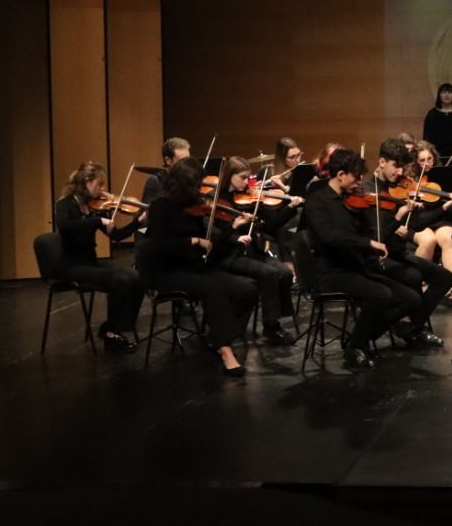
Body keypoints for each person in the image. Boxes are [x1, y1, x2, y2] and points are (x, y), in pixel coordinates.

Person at [135, 158, 258, 376]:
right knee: (212, 289)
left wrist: (232, 227)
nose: (201, 190)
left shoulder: (194, 207)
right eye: (197, 185)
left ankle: (216, 336)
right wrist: (192, 241)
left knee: (247, 290)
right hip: (167, 272)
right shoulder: (160, 207)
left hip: (193, 267)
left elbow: (211, 241)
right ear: (184, 184)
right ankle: (225, 351)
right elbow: (159, 246)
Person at [300, 147, 420, 370]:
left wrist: (394, 221)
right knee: (381, 295)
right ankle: (357, 345)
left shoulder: (356, 201)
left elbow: (371, 236)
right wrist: (367, 244)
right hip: (331, 272)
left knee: (411, 299)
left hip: (358, 267)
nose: (360, 182)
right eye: (356, 176)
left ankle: (358, 339)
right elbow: (330, 237)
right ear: (341, 175)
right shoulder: (317, 201)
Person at [364, 138, 452, 346]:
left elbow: (418, 225)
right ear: (382, 162)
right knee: (413, 276)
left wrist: (443, 208)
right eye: (396, 166)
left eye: (403, 167)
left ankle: (412, 325)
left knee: (445, 278)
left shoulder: (399, 188)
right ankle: (408, 327)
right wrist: (398, 219)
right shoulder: (369, 191)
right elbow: (378, 239)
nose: (400, 173)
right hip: (381, 258)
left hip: (400, 253)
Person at [52, 161, 144, 351]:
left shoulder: (93, 207)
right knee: (118, 280)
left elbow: (117, 236)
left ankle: (119, 326)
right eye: (99, 184)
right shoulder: (65, 204)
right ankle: (110, 333)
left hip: (90, 263)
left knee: (137, 277)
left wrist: (138, 222)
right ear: (86, 182)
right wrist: (96, 220)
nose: (103, 189)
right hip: (71, 267)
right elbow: (65, 227)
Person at [209, 156, 297, 346]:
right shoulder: (218, 199)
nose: (246, 183)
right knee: (270, 273)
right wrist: (235, 233)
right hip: (230, 254)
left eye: (248, 178)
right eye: (242, 178)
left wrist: (290, 207)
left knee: (284, 272)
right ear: (229, 176)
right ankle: (271, 326)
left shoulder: (250, 198)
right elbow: (215, 233)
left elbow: (270, 227)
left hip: (252, 251)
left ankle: (276, 321)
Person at [407, 142, 452, 284]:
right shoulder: (410, 180)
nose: (427, 164)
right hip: (418, 221)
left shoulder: (442, 177)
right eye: (422, 160)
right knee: (429, 240)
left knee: (448, 238)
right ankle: (420, 283)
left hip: (439, 220)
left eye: (430, 159)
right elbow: (418, 220)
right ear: (415, 162)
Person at [422, 83, 452, 162]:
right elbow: (426, 137)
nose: (447, 95)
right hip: (437, 155)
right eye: (443, 92)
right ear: (439, 96)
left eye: (449, 92)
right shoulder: (432, 114)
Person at [141, 136, 191, 203]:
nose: (187, 165)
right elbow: (149, 211)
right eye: (182, 161)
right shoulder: (155, 181)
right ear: (168, 160)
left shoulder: (190, 181)